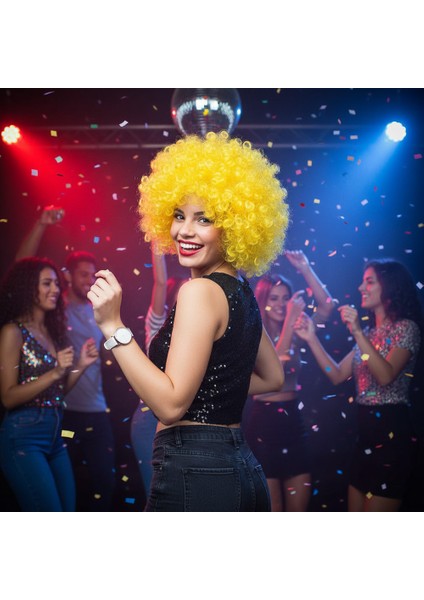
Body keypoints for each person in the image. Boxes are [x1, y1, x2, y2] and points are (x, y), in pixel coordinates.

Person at [88, 131, 289, 512]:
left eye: (203, 219)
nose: (184, 231)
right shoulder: (241, 292)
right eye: (179, 216)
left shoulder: (199, 292)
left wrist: (113, 327)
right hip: (241, 470)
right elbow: (273, 377)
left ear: (235, 226)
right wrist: (208, 388)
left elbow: (169, 406)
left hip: (196, 471)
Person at [294, 258, 423, 511]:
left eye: (369, 282)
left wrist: (357, 332)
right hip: (364, 434)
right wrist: (311, 339)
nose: (361, 287)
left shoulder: (407, 329)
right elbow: (336, 374)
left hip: (391, 434)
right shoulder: (369, 334)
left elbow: (385, 376)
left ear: (389, 286)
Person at [15, 207, 116, 511]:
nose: (89, 281)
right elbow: (22, 273)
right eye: (83, 275)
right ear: (68, 276)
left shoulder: (99, 310)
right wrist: (40, 224)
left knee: (104, 484)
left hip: (96, 411)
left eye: (93, 276)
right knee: (66, 489)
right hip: (64, 413)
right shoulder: (55, 310)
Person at [0, 257, 99, 511]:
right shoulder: (13, 332)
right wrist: (55, 372)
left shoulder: (52, 332)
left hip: (55, 434)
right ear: (27, 287)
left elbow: (57, 393)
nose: (55, 289)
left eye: (56, 283)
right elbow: (8, 397)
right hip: (24, 436)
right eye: (47, 283)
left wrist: (81, 364)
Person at [244, 250, 335, 511]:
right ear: (263, 300)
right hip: (264, 424)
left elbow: (327, 306)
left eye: (286, 298)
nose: (281, 304)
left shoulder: (296, 329)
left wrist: (305, 268)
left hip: (293, 421)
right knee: (272, 510)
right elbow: (275, 365)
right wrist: (291, 321)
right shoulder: (254, 332)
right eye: (274, 298)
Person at [130, 246, 187, 502]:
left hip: (182, 422)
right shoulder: (158, 325)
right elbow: (161, 282)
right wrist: (156, 243)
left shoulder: (200, 333)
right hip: (149, 419)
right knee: (158, 497)